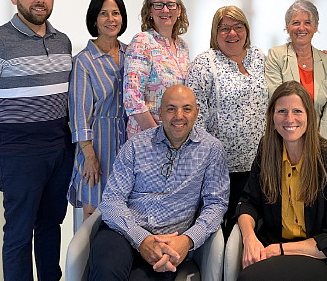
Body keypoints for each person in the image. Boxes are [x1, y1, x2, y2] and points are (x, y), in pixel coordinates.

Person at [0, 0, 73, 280]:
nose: (39, 0)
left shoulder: (63, 41)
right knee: (19, 231)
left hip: (59, 147)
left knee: (50, 224)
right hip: (19, 150)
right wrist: (3, 136)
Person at [89, 85, 229, 280]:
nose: (179, 116)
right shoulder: (136, 146)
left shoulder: (211, 150)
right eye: (171, 109)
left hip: (170, 242)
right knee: (106, 272)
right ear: (160, 112)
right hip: (122, 231)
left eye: (186, 109)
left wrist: (187, 240)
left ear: (196, 113)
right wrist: (141, 239)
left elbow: (216, 204)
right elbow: (112, 199)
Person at [236, 81, 327, 281]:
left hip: (324, 257)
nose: (289, 119)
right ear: (272, 116)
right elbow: (249, 202)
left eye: (297, 111)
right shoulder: (267, 150)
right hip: (277, 245)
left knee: (252, 278)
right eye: (282, 111)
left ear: (309, 116)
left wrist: (279, 250)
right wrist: (249, 238)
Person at [186, 5, 267, 237]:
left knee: (256, 230)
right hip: (221, 167)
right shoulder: (205, 63)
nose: (232, 33)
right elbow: (194, 115)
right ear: (215, 33)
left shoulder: (259, 57)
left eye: (238, 27)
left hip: (259, 165)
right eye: (225, 28)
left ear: (246, 30)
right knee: (226, 231)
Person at [67, 0, 128, 221]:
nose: (110, 19)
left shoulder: (131, 53)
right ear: (94, 19)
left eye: (116, 13)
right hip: (96, 148)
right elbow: (79, 114)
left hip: (128, 145)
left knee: (125, 215)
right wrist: (89, 156)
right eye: (104, 14)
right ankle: (88, 258)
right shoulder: (84, 61)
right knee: (93, 218)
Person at [265, 0, 327, 140]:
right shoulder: (276, 55)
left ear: (315, 27)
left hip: (319, 138)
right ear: (287, 27)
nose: (301, 28)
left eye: (307, 23)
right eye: (296, 23)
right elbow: (277, 99)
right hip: (285, 134)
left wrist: (319, 141)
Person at [124, 0, 190, 138]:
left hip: (175, 137)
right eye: (159, 5)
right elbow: (132, 98)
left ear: (179, 11)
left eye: (171, 5)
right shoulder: (142, 42)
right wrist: (158, 137)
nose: (165, 10)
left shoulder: (182, 46)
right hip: (147, 139)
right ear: (150, 11)